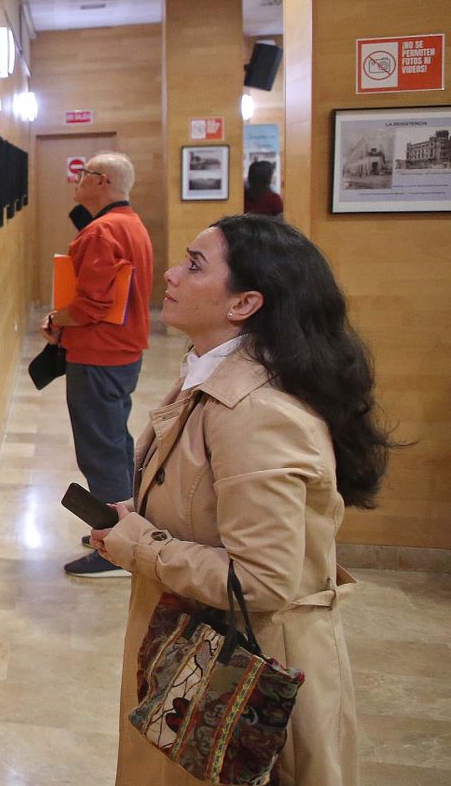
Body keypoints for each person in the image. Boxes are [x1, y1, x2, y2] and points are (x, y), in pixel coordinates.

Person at [90, 215, 390, 785]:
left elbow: (261, 580)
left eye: (195, 265)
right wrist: (145, 521)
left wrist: (141, 545)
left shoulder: (255, 413)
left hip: (246, 677)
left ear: (245, 302)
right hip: (200, 651)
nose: (172, 274)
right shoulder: (213, 376)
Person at [40, 151, 154, 577]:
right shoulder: (131, 224)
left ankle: (117, 547)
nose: (77, 179)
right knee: (116, 441)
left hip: (99, 352)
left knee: (100, 448)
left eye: (83, 173)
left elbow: (91, 304)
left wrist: (55, 319)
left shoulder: (101, 231)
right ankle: (124, 526)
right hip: (123, 351)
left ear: (102, 180)